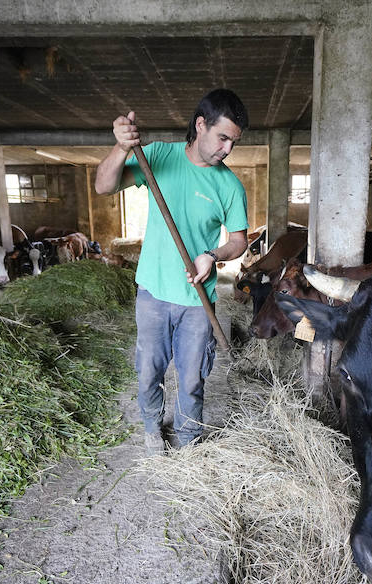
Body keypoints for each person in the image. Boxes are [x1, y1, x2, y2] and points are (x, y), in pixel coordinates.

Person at [95, 89, 250, 455]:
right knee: (149, 371)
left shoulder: (229, 185)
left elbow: (240, 241)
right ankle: (152, 428)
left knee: (192, 378)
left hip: (198, 300)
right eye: (223, 137)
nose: (227, 149)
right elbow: (103, 186)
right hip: (152, 293)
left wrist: (211, 255)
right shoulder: (159, 156)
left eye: (234, 142)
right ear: (201, 125)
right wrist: (121, 146)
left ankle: (187, 440)